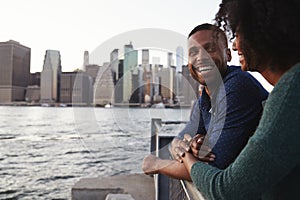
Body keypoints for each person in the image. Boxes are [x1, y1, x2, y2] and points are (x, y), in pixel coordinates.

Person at [173, 0, 300, 199]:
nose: (235, 43)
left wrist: (182, 160)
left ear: (263, 32)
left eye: (239, 34)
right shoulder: (286, 90)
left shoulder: (289, 94)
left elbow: (226, 188)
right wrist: (190, 146)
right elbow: (185, 138)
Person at [142, 23, 268, 180]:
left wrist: (155, 164)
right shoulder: (205, 98)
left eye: (210, 48)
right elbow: (184, 135)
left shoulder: (237, 85)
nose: (201, 57)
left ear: (228, 55)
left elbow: (211, 168)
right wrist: (180, 145)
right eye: (193, 52)